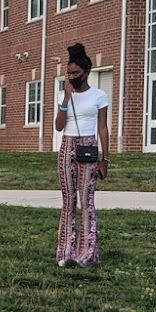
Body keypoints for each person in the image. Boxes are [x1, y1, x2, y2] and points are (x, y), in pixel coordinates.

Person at [53, 43, 110, 267]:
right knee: (68, 201)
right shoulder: (65, 95)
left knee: (86, 201)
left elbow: (103, 127)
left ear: (86, 73)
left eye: (76, 73)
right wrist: (66, 100)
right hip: (67, 146)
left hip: (88, 146)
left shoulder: (99, 95)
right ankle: (65, 251)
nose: (72, 77)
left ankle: (87, 253)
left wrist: (106, 158)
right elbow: (58, 126)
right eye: (69, 73)